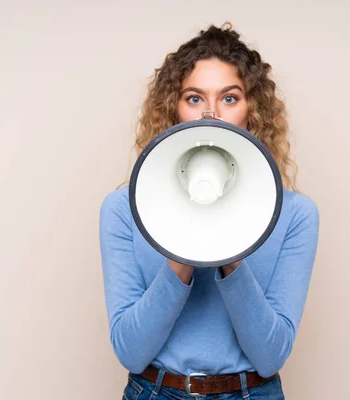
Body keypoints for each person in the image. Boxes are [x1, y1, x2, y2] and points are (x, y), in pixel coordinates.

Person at [99, 22, 320, 399]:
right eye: (195, 98)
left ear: (253, 110)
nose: (211, 114)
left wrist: (227, 247)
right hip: (155, 391)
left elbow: (270, 356)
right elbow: (131, 351)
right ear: (174, 108)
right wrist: (185, 245)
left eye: (230, 98)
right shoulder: (122, 209)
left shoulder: (296, 214)